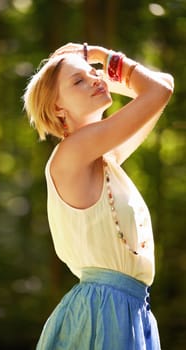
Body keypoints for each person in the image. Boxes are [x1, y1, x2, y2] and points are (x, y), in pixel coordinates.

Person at [23, 42, 174, 350]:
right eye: (78, 81)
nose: (95, 78)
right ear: (57, 108)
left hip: (130, 309)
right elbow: (157, 91)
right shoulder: (73, 152)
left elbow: (164, 83)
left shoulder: (106, 158)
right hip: (101, 312)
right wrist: (102, 57)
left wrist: (90, 73)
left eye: (94, 74)